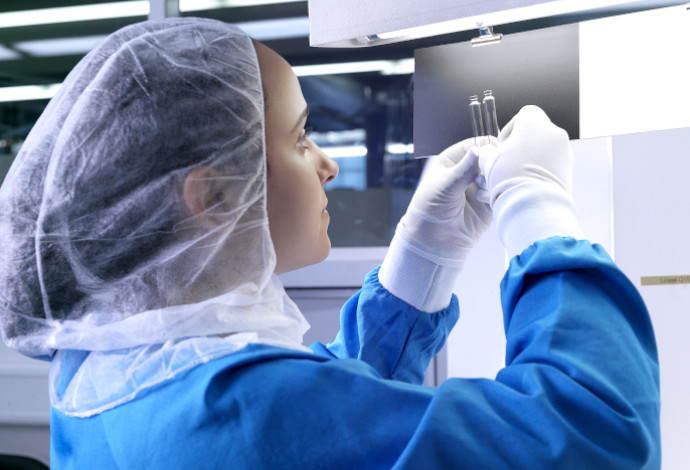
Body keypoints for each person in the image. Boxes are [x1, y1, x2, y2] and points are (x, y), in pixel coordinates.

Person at [0, 18, 660, 469]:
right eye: (300, 136)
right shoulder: (251, 410)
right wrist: (540, 209)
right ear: (212, 195)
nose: (328, 165)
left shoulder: (102, 373)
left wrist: (418, 270)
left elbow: (327, 432)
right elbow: (593, 436)